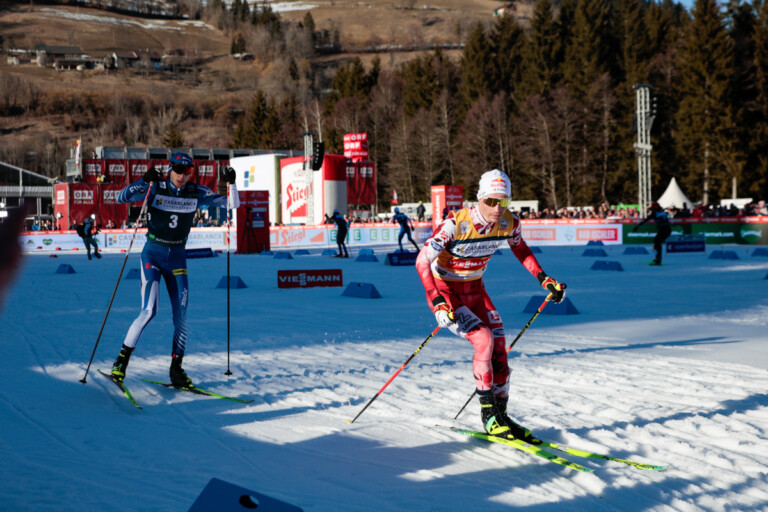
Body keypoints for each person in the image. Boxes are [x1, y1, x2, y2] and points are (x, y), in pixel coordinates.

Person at [415, 169, 566, 442]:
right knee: (483, 340)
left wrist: (544, 279)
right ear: (480, 199)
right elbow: (422, 261)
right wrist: (437, 301)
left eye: (504, 202)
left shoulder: (509, 222)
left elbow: (520, 248)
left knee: (500, 350)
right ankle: (489, 416)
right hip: (448, 292)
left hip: (476, 289)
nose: (498, 208)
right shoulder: (455, 224)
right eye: (492, 201)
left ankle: (501, 414)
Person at [110, 152, 239, 388]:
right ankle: (120, 363)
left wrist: (232, 183)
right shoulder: (156, 186)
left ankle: (176, 369)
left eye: (187, 171)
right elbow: (121, 198)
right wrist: (142, 181)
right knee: (149, 310)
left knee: (182, 316)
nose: (181, 175)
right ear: (170, 169)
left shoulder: (196, 192)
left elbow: (233, 204)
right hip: (153, 255)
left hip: (178, 259)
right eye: (178, 169)